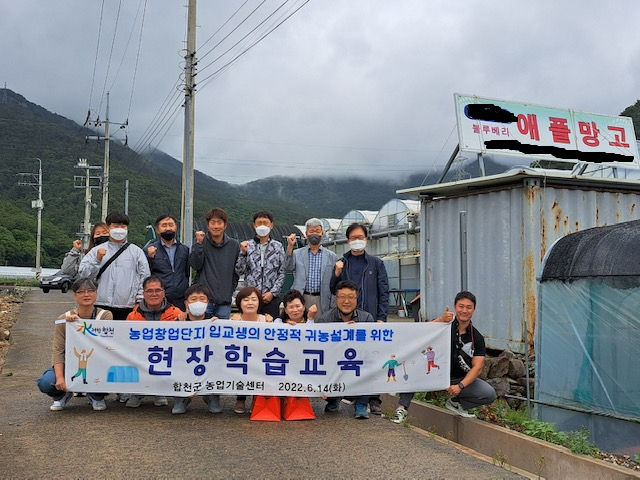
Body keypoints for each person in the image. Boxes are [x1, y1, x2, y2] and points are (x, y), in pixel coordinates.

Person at [392, 291, 497, 424]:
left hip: (458, 378)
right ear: (455, 307)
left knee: (489, 393)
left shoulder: (477, 337)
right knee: (414, 368)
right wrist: (441, 320)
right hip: (434, 372)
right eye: (461, 306)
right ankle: (402, 407)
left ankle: (457, 404)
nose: (464, 310)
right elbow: (420, 333)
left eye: (468, 307)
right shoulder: (444, 325)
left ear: (474, 310)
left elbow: (477, 367)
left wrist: (460, 385)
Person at [330, 222, 389, 415]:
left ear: (366, 239)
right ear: (348, 241)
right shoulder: (342, 262)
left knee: (372, 357)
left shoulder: (376, 263)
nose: (357, 241)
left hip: (369, 317)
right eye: (353, 238)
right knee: (349, 356)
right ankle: (350, 393)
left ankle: (374, 398)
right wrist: (336, 274)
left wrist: (381, 318)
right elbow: (333, 290)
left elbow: (384, 292)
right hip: (347, 318)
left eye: (360, 238)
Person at [36, 278, 113, 411]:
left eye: (90, 291)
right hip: (70, 364)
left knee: (111, 377)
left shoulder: (105, 315)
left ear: (96, 293)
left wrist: (80, 325)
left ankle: (96, 395)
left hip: (97, 364)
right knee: (46, 383)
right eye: (81, 291)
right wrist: (60, 378)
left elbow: (105, 345)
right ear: (75, 295)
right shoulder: (63, 319)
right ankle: (62, 395)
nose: (86, 294)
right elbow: (58, 350)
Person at [316, 280, 374, 419]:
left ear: (357, 299)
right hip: (335, 363)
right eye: (342, 297)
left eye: (351, 297)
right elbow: (320, 349)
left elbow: (372, 348)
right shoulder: (325, 320)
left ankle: (362, 402)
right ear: (336, 299)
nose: (346, 301)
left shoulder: (366, 318)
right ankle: (333, 398)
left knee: (371, 365)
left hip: (357, 362)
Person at [78, 211, 150, 320]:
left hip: (128, 306)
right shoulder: (96, 251)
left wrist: (139, 302)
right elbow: (83, 274)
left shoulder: (137, 252)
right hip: (100, 305)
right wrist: (97, 260)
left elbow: (144, 278)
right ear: (108, 228)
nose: (120, 229)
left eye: (123, 226)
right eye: (116, 226)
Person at [125, 276, 181, 408]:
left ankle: (160, 391)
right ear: (143, 294)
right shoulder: (132, 316)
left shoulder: (176, 314)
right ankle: (136, 392)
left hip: (166, 356)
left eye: (158, 290)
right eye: (150, 291)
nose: (154, 294)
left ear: (163, 292)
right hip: (140, 356)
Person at [171, 284, 223, 415]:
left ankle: (211, 396)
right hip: (185, 363)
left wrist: (219, 325)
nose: (198, 302)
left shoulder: (214, 322)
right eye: (193, 299)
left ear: (207, 302)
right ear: (186, 303)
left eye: (202, 299)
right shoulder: (179, 322)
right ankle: (181, 398)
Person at [190, 207, 240, 319]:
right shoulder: (201, 241)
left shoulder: (234, 245)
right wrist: (198, 244)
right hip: (204, 301)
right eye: (213, 223)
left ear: (225, 225)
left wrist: (229, 291)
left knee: (222, 335)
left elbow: (236, 272)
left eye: (219, 223)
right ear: (208, 225)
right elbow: (195, 265)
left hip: (224, 302)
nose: (216, 226)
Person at [235, 211, 286, 319]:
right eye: (259, 223)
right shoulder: (247, 245)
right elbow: (240, 271)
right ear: (254, 225)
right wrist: (243, 254)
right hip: (251, 298)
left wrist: (272, 293)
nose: (262, 226)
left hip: (271, 298)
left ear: (271, 225)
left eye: (265, 223)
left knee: (270, 327)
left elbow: (281, 272)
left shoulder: (278, 247)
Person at [231, 286, 273, 414]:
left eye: (254, 299)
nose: (250, 303)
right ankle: (241, 398)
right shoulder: (232, 321)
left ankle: (258, 398)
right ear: (239, 303)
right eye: (246, 300)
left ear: (259, 302)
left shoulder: (266, 320)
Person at [285, 218, 337, 317]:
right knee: (301, 326)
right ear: (306, 234)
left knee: (320, 327)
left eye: (317, 231)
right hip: (301, 297)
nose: (315, 234)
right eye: (311, 231)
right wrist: (290, 247)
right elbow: (287, 268)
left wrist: (333, 304)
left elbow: (334, 281)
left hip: (322, 298)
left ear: (322, 233)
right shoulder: (297, 253)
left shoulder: (331, 256)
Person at [144, 214, 190, 310]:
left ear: (176, 227)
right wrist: (150, 258)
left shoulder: (184, 249)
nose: (168, 228)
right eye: (164, 225)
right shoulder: (149, 250)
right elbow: (146, 273)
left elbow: (186, 273)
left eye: (171, 225)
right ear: (157, 230)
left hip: (180, 299)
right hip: (160, 299)